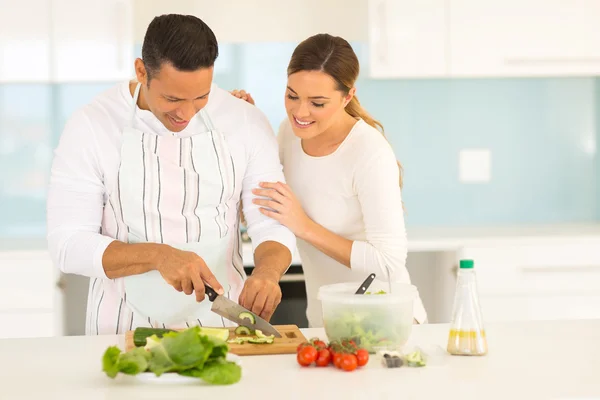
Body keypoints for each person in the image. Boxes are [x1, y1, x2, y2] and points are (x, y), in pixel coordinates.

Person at [46, 14, 296, 335]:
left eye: (200, 98)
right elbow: (68, 244)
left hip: (224, 327)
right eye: (172, 99)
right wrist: (157, 256)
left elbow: (271, 222)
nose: (187, 114)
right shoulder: (92, 125)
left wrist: (268, 272)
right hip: (122, 328)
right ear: (141, 71)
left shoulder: (245, 120)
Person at [231, 33, 427, 327]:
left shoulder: (368, 152)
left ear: (347, 96)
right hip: (328, 321)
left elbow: (388, 263)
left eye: (317, 103)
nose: (300, 112)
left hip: (384, 322)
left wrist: (304, 226)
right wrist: (242, 126)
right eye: (292, 95)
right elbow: (260, 208)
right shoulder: (288, 133)